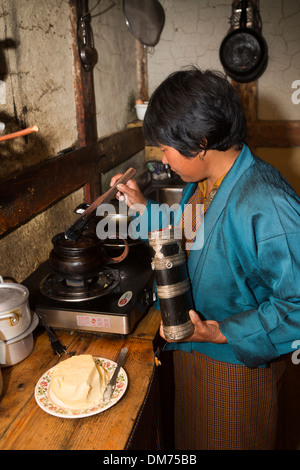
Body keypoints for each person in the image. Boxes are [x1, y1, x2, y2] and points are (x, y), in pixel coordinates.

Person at [110, 66, 300, 450]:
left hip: (236, 367)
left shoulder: (266, 203)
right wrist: (143, 206)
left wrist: (217, 332)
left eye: (166, 148)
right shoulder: (207, 182)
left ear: (200, 142)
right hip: (195, 349)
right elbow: (190, 235)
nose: (164, 160)